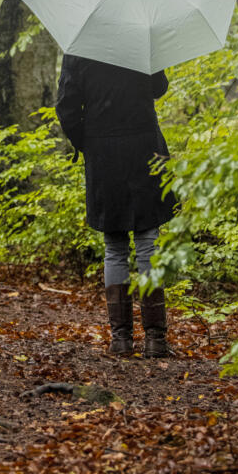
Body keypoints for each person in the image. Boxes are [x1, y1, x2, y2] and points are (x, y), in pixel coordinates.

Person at [55, 53, 175, 358]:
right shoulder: (141, 40)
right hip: (145, 148)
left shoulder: (79, 49)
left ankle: (121, 340)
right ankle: (156, 340)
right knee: (148, 241)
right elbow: (159, 87)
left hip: (103, 151)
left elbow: (66, 107)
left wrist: (87, 142)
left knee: (114, 245)